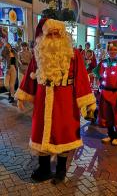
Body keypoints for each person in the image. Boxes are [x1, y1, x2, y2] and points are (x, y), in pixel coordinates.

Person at [15, 18, 96, 184]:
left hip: (65, 103)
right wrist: (21, 96)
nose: (53, 38)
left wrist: (88, 104)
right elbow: (29, 79)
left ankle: (60, 170)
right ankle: (44, 169)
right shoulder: (38, 53)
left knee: (64, 136)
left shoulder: (74, 55)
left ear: (63, 36)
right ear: (44, 36)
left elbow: (81, 80)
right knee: (40, 133)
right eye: (49, 34)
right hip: (42, 102)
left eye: (56, 34)